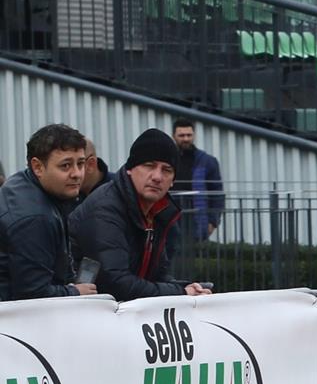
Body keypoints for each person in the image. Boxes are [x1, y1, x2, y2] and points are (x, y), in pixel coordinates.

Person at [70, 128, 211, 300]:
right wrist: (180, 292)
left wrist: (186, 287)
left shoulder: (158, 211)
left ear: (173, 180)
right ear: (130, 169)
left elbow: (157, 276)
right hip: (87, 314)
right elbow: (116, 283)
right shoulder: (105, 208)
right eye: (149, 166)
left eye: (167, 170)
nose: (157, 176)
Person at [0, 124, 96, 301]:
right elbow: (33, 295)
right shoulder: (34, 218)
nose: (76, 174)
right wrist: (76, 292)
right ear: (37, 167)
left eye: (80, 164)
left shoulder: (25, 184)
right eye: (65, 165)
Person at [171, 119, 224, 241]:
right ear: (173, 136)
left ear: (194, 135)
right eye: (181, 135)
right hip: (170, 215)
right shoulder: (166, 159)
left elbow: (217, 193)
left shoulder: (207, 161)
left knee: (196, 256)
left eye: (189, 135)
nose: (186, 139)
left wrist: (213, 222)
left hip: (197, 218)